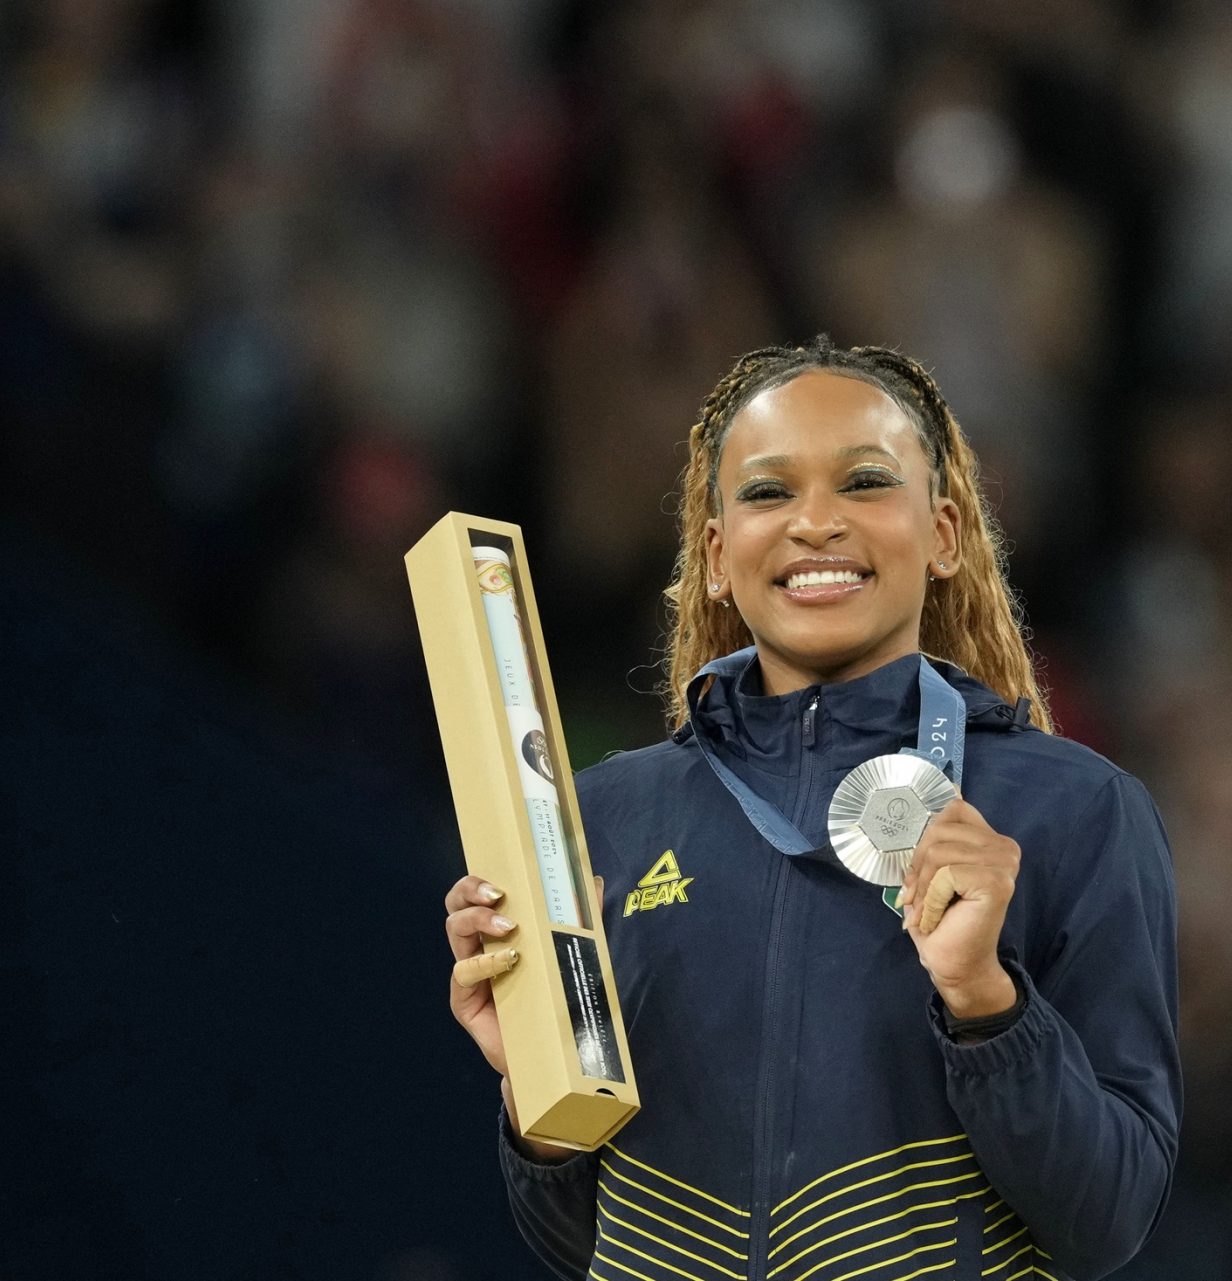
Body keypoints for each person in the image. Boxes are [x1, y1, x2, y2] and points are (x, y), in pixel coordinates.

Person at [442, 336, 1181, 1281]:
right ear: (716, 555)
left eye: (866, 482)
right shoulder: (607, 819)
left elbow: (1111, 1217)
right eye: (766, 491)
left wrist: (988, 1006)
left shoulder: (1074, 811)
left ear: (945, 533)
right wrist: (537, 1089)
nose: (815, 523)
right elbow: (580, 1244)